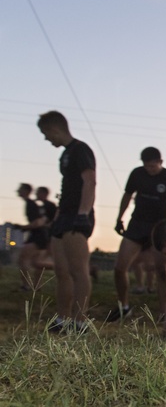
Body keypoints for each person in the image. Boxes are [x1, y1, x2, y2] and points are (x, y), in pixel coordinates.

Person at [108, 147, 166, 321]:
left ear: (160, 162)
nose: (150, 169)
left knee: (161, 270)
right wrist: (119, 219)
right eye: (147, 166)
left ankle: (165, 312)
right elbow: (127, 196)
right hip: (137, 224)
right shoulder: (137, 174)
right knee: (119, 268)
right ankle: (123, 306)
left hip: (159, 228)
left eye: (153, 166)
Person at [37, 110, 95, 333]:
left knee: (78, 270)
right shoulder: (65, 154)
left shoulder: (81, 149)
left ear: (55, 129)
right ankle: (62, 320)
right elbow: (67, 188)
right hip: (63, 218)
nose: (46, 138)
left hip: (77, 217)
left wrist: (83, 214)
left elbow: (90, 181)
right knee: (61, 270)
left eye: (45, 134)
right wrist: (58, 216)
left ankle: (80, 322)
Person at [15, 183, 48, 289]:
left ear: (26, 191)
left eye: (20, 189)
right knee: (36, 262)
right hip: (38, 235)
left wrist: (24, 227)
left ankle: (26, 285)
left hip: (38, 235)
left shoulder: (30, 204)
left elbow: (39, 222)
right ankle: (36, 286)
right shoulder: (31, 204)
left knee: (22, 259)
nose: (17, 191)